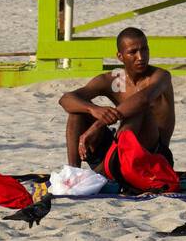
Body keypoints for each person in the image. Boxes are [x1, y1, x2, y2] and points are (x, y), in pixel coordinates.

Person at [58, 27, 175, 169]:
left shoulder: (161, 76)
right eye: (133, 52)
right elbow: (66, 99)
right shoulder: (114, 80)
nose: (141, 57)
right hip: (118, 150)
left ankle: (110, 169)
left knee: (139, 110)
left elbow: (143, 99)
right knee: (77, 113)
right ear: (120, 56)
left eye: (144, 49)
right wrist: (92, 109)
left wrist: (98, 125)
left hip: (154, 156)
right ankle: (74, 173)